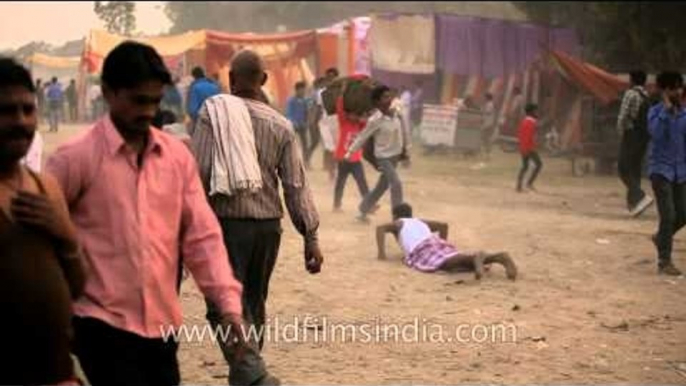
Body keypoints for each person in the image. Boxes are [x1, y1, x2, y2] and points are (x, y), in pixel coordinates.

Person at [45, 41, 247, 386]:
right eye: (138, 101)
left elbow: (202, 237)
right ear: (108, 93)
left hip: (162, 328)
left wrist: (228, 305)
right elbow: (45, 243)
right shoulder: (73, 160)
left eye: (154, 101)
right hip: (98, 326)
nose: (149, 112)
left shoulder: (176, 158)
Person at [191, 49, 323, 386]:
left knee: (223, 305)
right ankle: (249, 376)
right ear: (263, 80)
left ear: (231, 80)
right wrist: (310, 236)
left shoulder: (213, 114)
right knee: (252, 302)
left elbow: (200, 171)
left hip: (226, 225)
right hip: (267, 228)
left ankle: (253, 375)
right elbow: (295, 186)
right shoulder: (281, 125)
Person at [0, 57, 86, 385]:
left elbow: (76, 286)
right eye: (6, 111)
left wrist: (66, 237)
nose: (21, 122)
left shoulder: (44, 186)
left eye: (27, 109)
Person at [376, 203, 518, 280]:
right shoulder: (420, 221)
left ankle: (477, 257)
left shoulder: (399, 223)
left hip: (421, 248)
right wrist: (442, 245)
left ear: (395, 215)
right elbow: (443, 226)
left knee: (445, 264)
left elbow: (380, 228)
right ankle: (498, 257)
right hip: (434, 242)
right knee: (454, 264)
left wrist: (381, 254)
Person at [346, 84, 410, 223]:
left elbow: (403, 133)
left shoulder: (397, 114)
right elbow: (362, 137)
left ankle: (363, 210)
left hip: (395, 156)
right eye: (384, 97)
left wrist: (406, 152)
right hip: (383, 158)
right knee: (396, 183)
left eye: (389, 96)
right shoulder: (375, 120)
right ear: (377, 102)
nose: (389, 99)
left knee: (381, 187)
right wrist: (350, 151)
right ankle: (398, 218)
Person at [647, 71, 686, 276]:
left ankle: (661, 237)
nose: (678, 91)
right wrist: (667, 111)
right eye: (674, 88)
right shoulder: (654, 113)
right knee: (668, 215)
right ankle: (664, 261)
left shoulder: (685, 114)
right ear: (665, 91)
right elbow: (657, 134)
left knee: (683, 213)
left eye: (680, 88)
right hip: (660, 170)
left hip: (680, 172)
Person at [617, 70, 655, 217]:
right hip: (643, 137)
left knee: (623, 167)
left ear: (632, 80)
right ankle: (635, 205)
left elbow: (623, 115)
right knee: (634, 169)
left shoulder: (630, 94)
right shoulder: (646, 95)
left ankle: (641, 196)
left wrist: (621, 133)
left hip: (631, 134)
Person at [332, 81, 371, 212]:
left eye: (356, 114)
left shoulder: (360, 126)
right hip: (343, 158)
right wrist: (342, 94)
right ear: (348, 114)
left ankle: (368, 204)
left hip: (355, 159)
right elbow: (340, 108)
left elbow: (368, 121)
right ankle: (337, 205)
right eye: (352, 114)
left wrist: (364, 118)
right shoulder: (344, 123)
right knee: (340, 182)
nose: (354, 116)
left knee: (362, 181)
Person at [516, 103, 543, 192]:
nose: (537, 112)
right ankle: (529, 183)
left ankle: (519, 186)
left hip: (524, 146)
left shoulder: (525, 121)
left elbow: (521, 135)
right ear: (531, 112)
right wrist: (527, 148)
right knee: (538, 164)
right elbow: (529, 136)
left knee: (525, 166)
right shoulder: (531, 122)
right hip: (529, 147)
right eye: (535, 111)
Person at [285, 81, 310, 160]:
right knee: (291, 144)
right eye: (302, 90)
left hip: (302, 125)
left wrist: (306, 122)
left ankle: (306, 161)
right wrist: (293, 123)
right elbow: (289, 113)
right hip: (294, 126)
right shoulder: (291, 100)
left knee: (305, 144)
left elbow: (307, 112)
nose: (303, 92)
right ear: (297, 90)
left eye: (304, 90)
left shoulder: (305, 100)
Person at [481, 93, 497, 157]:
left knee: (486, 138)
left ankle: (488, 152)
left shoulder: (490, 104)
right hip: (487, 123)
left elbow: (488, 112)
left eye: (484, 97)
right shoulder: (488, 104)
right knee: (485, 138)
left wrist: (482, 110)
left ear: (487, 98)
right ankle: (487, 152)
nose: (483, 98)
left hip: (488, 124)